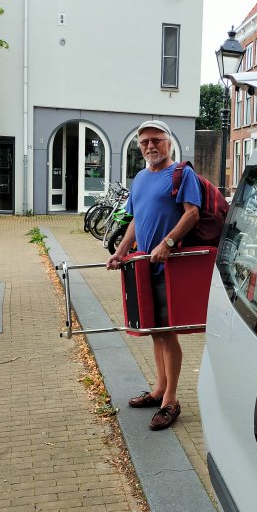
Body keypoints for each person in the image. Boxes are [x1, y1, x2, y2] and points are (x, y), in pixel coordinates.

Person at [106, 120, 201, 431]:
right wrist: (121, 251)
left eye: (156, 140)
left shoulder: (181, 174)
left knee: (167, 332)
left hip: (169, 269)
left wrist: (168, 243)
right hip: (144, 266)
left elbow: (192, 212)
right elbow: (137, 220)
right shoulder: (141, 179)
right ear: (139, 146)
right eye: (145, 141)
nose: (150, 146)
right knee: (155, 331)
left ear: (168, 143)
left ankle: (171, 400)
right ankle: (159, 388)